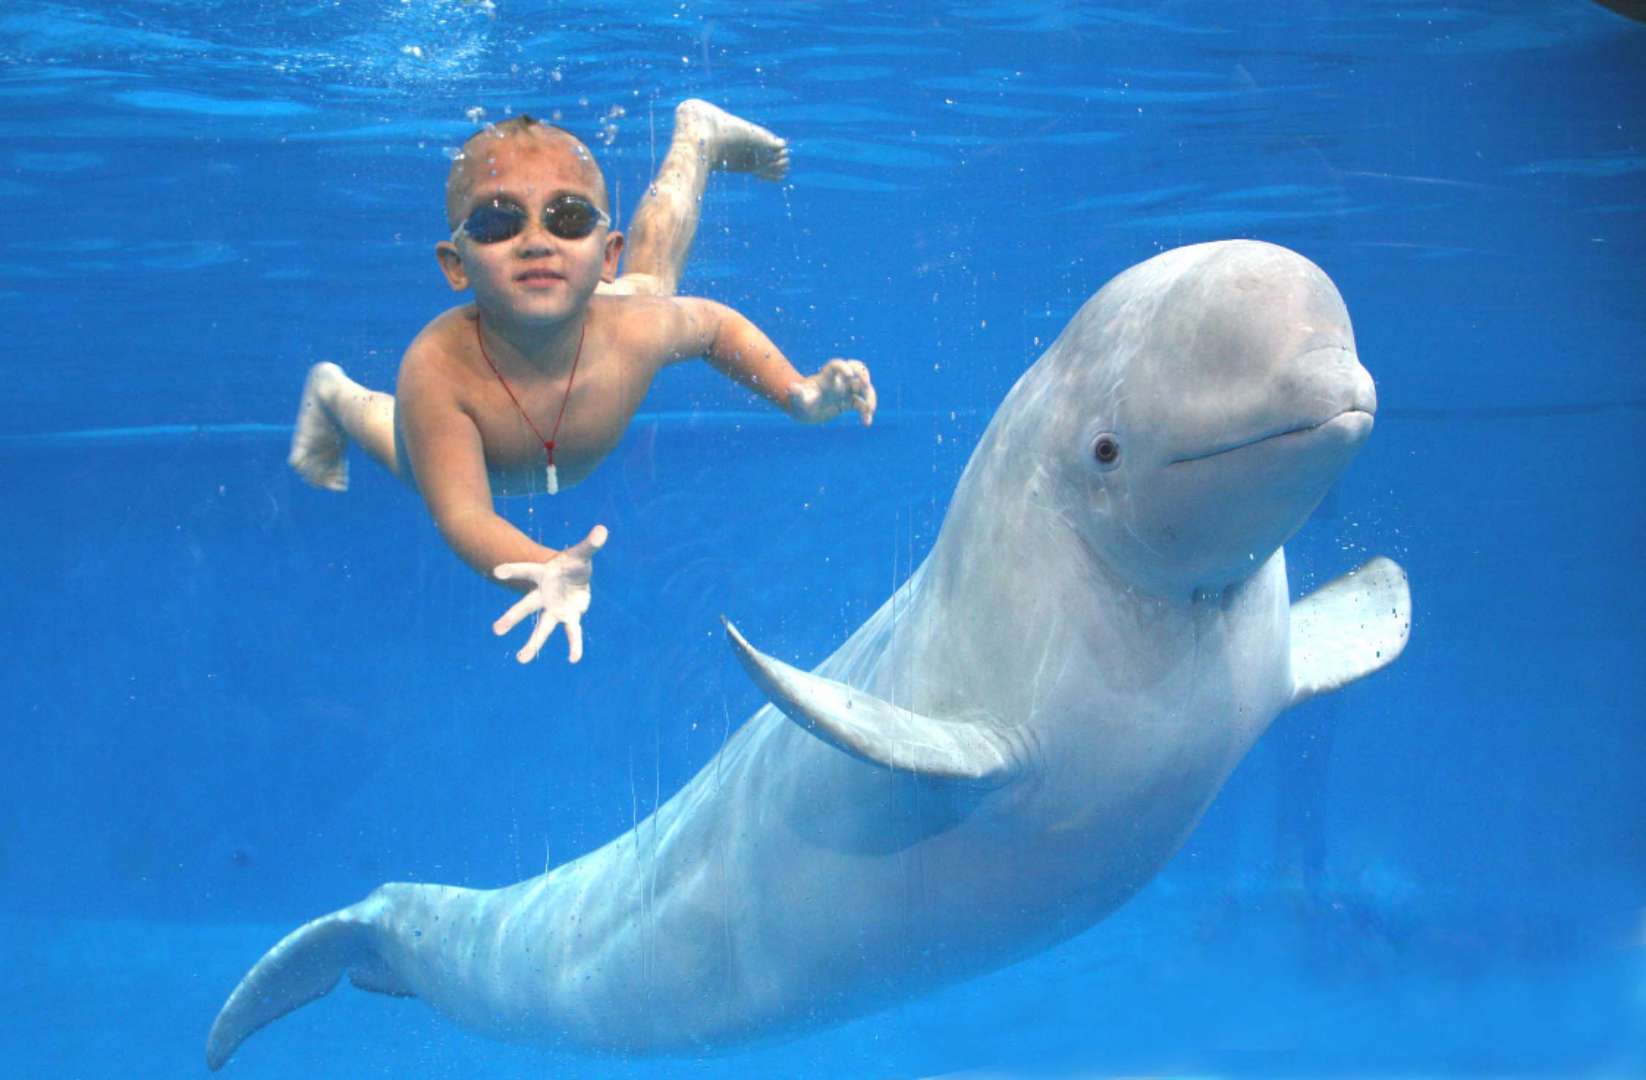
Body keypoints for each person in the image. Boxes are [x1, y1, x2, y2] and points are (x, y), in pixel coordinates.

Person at [286, 100, 876, 665]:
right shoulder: (438, 368)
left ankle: (695, 138)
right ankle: (331, 390)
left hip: (618, 309)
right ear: (456, 264)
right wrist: (544, 566)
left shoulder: (634, 329)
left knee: (654, 289)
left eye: (568, 218)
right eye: (497, 221)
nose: (536, 240)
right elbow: (464, 514)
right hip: (470, 455)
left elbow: (715, 326)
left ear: (606, 255)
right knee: (398, 445)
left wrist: (797, 394)